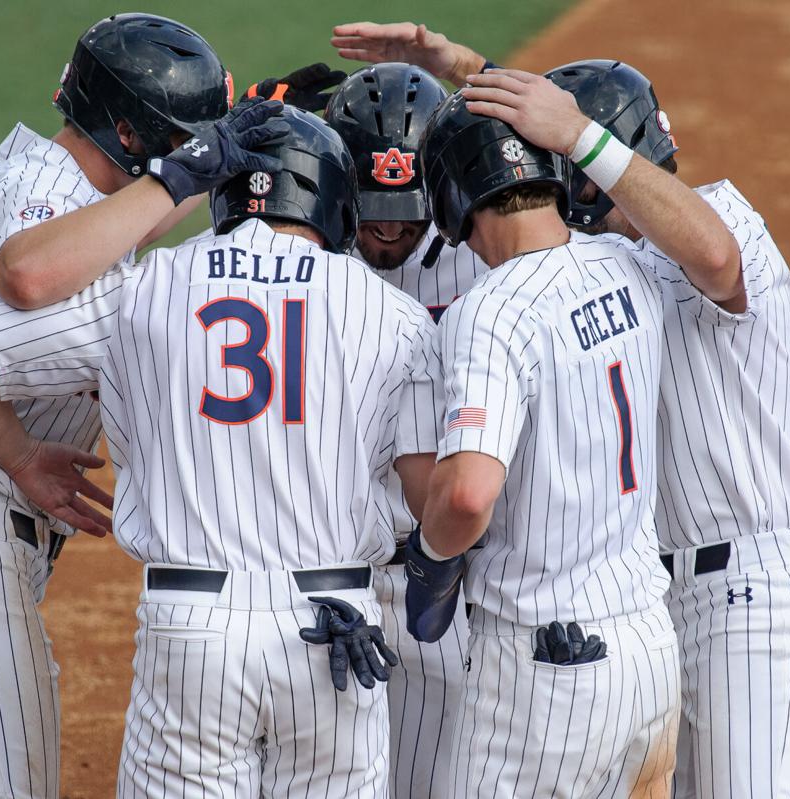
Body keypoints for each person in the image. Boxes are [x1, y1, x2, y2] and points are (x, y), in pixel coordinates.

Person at [455, 61, 790, 796]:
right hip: (656, 608)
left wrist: (577, 131)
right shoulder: (608, 264)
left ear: (598, 153)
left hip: (754, 596)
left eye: (565, 155)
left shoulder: (724, 216)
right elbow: (702, 293)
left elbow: (715, 260)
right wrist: (456, 68)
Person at [0, 14, 285, 797]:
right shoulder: (50, 189)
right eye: (181, 138)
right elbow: (30, 280)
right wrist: (22, 455)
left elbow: (79, 266)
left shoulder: (71, 187)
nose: (192, 151)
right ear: (130, 134)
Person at [0, 106, 440, 797]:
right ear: (334, 201)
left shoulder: (143, 289)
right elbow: (430, 495)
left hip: (192, 631)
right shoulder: (394, 316)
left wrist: (21, 459)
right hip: (335, 628)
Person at [406, 91, 744, 798]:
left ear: (450, 195)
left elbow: (467, 494)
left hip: (544, 676)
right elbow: (716, 258)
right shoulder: (625, 265)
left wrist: (431, 563)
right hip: (648, 648)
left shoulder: (490, 313)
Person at [323, 61, 488, 799]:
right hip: (332, 578)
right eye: (371, 207)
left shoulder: (486, 266)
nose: (388, 225)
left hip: (449, 577)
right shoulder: (305, 261)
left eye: (408, 207)